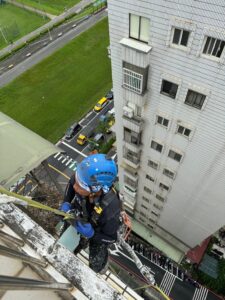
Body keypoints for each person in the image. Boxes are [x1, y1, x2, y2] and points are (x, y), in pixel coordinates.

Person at [60, 153, 121, 274]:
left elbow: (112, 239)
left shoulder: (110, 211)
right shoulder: (84, 178)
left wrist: (92, 234)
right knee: (64, 245)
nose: (76, 187)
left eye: (81, 186)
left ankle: (98, 269)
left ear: (96, 188)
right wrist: (66, 201)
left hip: (97, 231)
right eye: (77, 181)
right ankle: (73, 250)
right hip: (78, 215)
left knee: (96, 263)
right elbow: (72, 182)